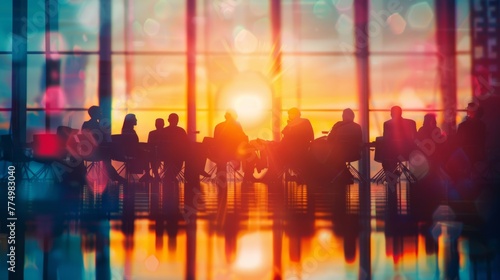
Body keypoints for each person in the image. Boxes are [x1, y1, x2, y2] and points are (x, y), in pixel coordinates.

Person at [81, 106, 126, 184]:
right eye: (100, 112)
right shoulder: (100, 126)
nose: (101, 114)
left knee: (107, 156)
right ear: (95, 114)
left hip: (88, 151)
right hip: (97, 152)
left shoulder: (86, 124)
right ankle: (115, 176)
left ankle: (114, 176)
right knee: (107, 158)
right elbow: (103, 139)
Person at [326, 108, 363, 182]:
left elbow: (330, 138)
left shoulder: (338, 125)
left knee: (330, 159)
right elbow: (359, 141)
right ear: (353, 116)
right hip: (354, 154)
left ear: (343, 116)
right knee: (340, 157)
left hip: (338, 154)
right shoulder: (357, 127)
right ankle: (346, 175)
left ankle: (343, 175)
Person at [382, 106, 417, 176]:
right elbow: (415, 138)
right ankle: (394, 174)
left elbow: (386, 139)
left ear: (391, 114)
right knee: (390, 155)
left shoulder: (387, 124)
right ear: (401, 113)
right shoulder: (410, 123)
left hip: (392, 154)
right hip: (408, 153)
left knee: (386, 156)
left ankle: (392, 174)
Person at [161, 113, 189, 181]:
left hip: (165, 155)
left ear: (168, 120)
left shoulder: (163, 131)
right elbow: (186, 143)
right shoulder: (181, 131)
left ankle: (168, 176)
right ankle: (187, 176)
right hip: (178, 155)